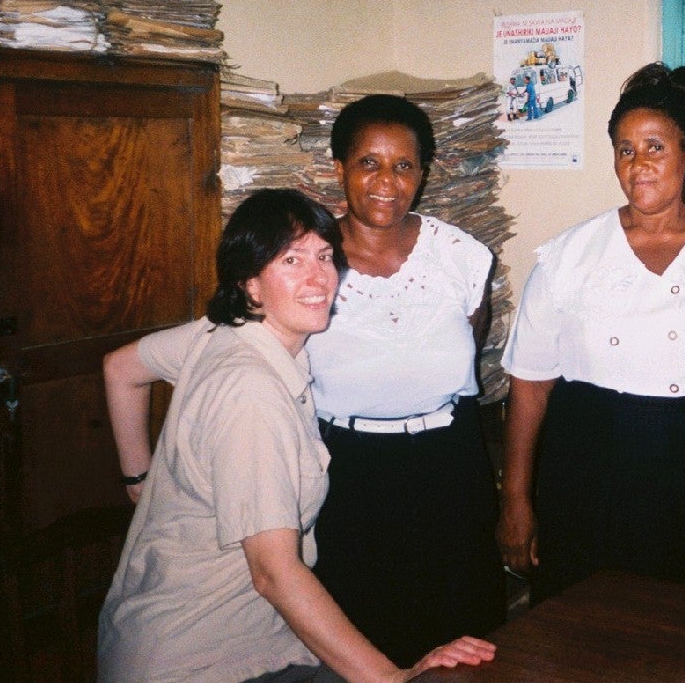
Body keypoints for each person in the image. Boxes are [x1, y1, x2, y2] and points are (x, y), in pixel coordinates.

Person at [104, 95, 505, 667]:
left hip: (448, 461)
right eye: (368, 162)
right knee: (362, 631)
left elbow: (470, 347)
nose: (386, 181)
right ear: (339, 168)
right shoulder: (298, 265)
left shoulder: (461, 255)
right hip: (346, 469)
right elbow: (140, 361)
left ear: (423, 172)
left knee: (465, 630)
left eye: (404, 165)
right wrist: (137, 475)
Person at [497, 63, 685, 602]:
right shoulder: (568, 255)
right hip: (589, 470)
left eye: (655, 147)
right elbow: (529, 386)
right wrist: (516, 500)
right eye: (624, 149)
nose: (638, 164)